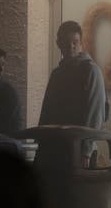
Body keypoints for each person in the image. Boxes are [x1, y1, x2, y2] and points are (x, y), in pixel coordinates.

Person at [39, 20, 106, 167]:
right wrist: (41, 142)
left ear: (81, 43)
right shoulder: (57, 74)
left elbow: (95, 113)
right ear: (58, 43)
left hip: (81, 149)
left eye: (75, 42)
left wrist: (86, 151)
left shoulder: (90, 70)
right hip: (57, 146)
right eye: (66, 42)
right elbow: (47, 110)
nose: (70, 46)